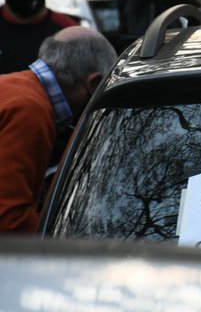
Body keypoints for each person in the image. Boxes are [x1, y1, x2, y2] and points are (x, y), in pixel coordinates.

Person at [0, 26, 117, 232]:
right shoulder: (30, 111)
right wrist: (70, 243)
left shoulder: (13, 86)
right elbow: (9, 219)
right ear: (94, 82)